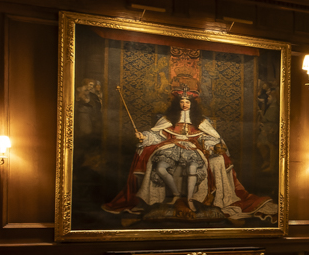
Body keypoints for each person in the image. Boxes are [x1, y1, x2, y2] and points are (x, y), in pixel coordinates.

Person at [103, 90, 273, 221]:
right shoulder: (168, 119)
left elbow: (212, 137)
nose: (184, 104)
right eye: (182, 101)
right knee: (160, 167)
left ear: (192, 104)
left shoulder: (201, 121)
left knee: (193, 168)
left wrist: (213, 146)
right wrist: (144, 136)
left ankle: (190, 199)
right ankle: (176, 195)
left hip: (192, 149)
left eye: (187, 101)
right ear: (178, 103)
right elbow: (156, 134)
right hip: (169, 147)